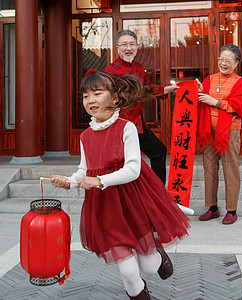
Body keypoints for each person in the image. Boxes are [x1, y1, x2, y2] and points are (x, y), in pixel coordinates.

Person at [50, 70, 189, 300]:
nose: (90, 100)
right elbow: (84, 171)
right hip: (106, 208)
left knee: (148, 268)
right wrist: (69, 183)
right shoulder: (85, 136)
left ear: (115, 98)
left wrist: (100, 180)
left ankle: (159, 254)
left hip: (134, 201)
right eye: (85, 96)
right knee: (128, 272)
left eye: (97, 93)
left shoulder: (127, 128)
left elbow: (133, 170)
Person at [104, 30, 179, 184]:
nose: (129, 48)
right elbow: (105, 98)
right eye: (124, 44)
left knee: (159, 151)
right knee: (125, 163)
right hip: (120, 125)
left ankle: (159, 193)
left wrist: (167, 89)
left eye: (132, 44)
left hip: (138, 124)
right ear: (117, 48)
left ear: (137, 47)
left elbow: (147, 88)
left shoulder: (138, 67)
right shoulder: (110, 72)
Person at [196, 45, 242, 225]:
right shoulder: (209, 79)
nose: (223, 63)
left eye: (228, 60)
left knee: (230, 169)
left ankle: (231, 210)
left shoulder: (240, 81)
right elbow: (201, 100)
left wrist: (215, 102)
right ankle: (212, 207)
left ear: (236, 63)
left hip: (229, 132)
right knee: (209, 168)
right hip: (208, 132)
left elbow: (238, 107)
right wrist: (198, 90)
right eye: (221, 59)